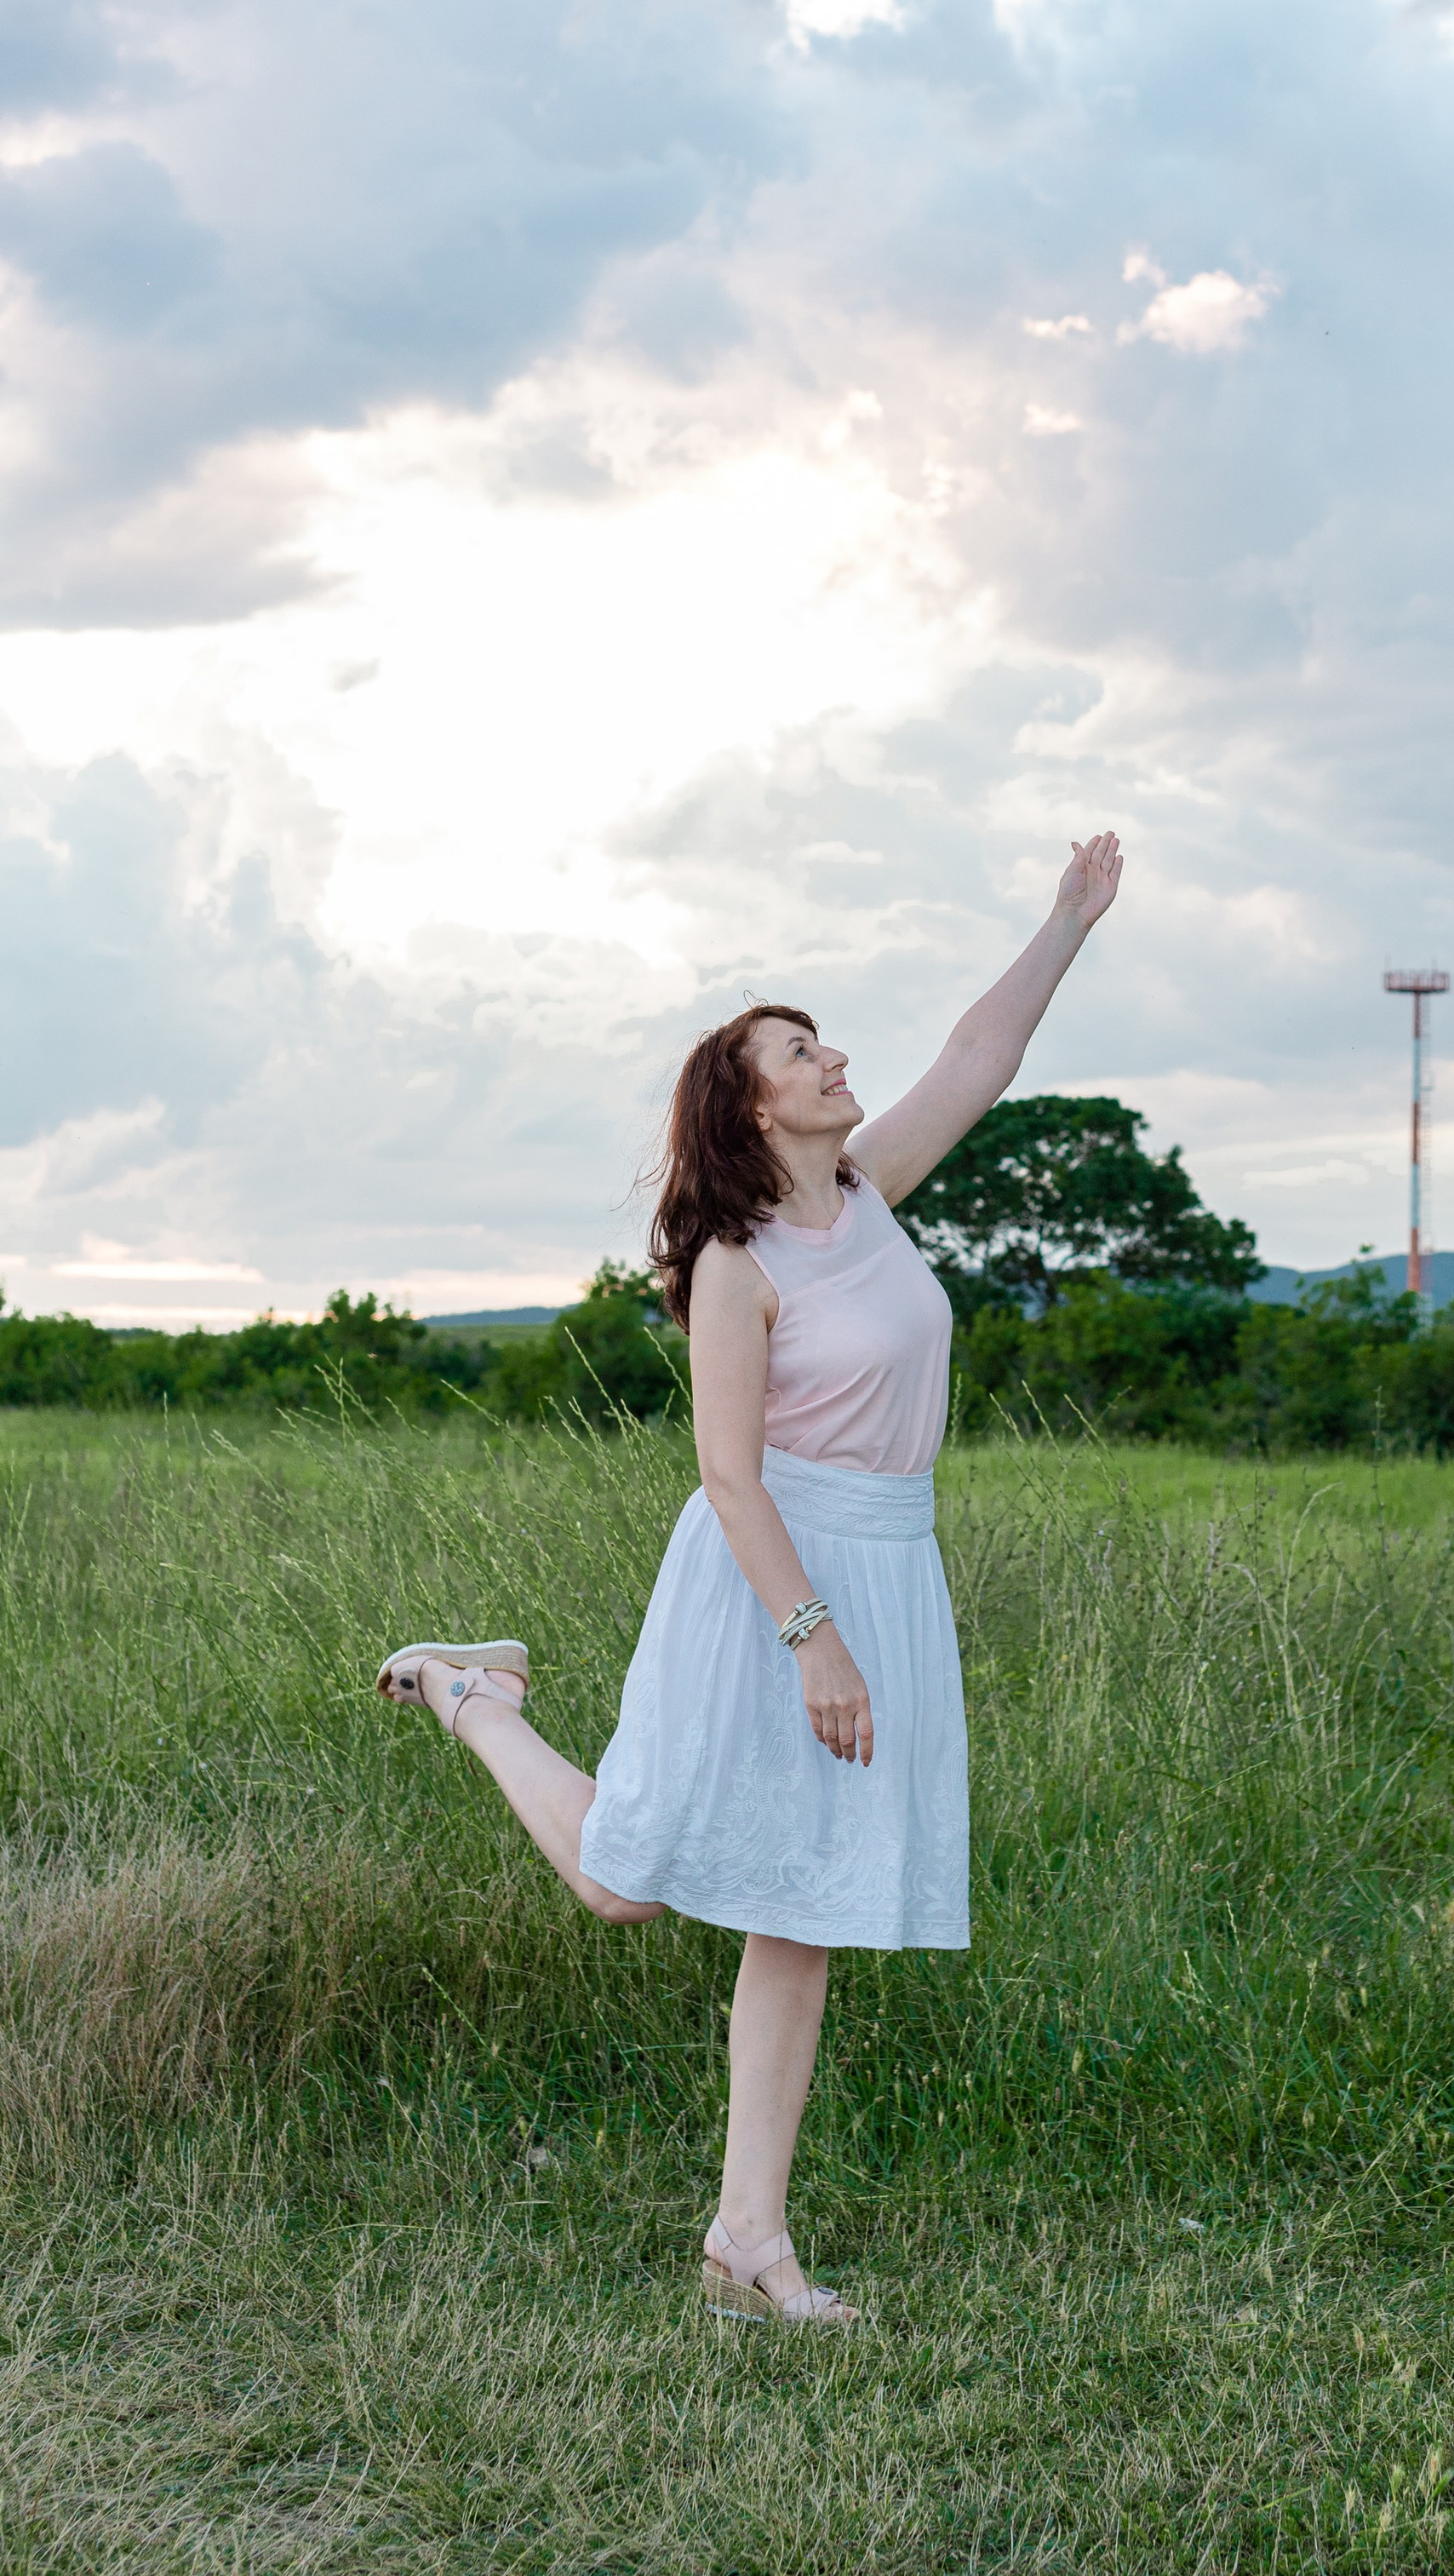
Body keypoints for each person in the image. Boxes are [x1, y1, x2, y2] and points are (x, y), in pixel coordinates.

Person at [375, 832, 1124, 2326]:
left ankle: (747, 2242)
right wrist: (812, 1639)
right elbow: (729, 1471)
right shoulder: (737, 1258)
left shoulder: (877, 1195)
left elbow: (984, 1053)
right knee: (620, 1886)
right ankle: (471, 1695)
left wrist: (1067, 923)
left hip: (890, 1560)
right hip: (766, 1579)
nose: (837, 1057)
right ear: (751, 1100)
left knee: (807, 1909)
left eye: (830, 1040)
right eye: (803, 1047)